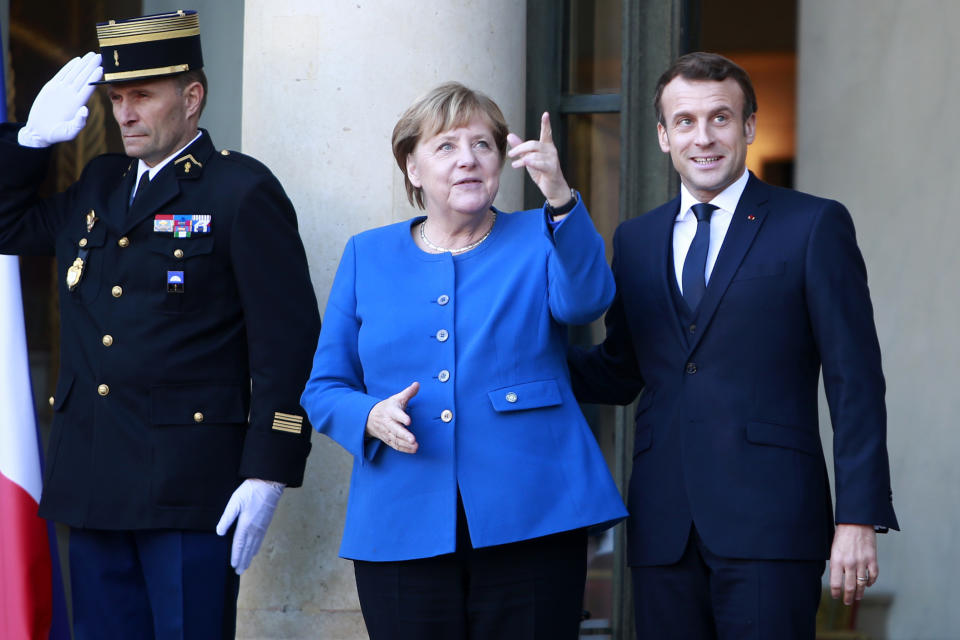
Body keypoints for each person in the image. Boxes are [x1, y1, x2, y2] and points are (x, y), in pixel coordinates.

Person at [0, 11, 320, 639]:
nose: (124, 113)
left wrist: (269, 468)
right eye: (116, 98)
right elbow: (8, 228)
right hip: (94, 483)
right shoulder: (101, 183)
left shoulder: (239, 190)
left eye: (142, 95)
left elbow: (288, 345)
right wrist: (27, 144)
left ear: (192, 97)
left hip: (189, 487)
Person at [568, 52, 899, 639]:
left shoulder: (813, 226)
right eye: (686, 122)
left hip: (772, 521)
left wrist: (857, 516)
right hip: (663, 524)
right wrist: (521, 358)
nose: (704, 137)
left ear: (748, 127)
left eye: (720, 118)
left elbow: (856, 381)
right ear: (664, 136)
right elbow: (621, 371)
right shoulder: (636, 239)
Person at [300, 81, 626, 639]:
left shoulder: (541, 233)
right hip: (402, 516)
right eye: (446, 146)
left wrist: (560, 196)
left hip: (534, 511)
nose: (467, 160)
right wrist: (370, 417)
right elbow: (324, 386)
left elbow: (586, 300)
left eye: (483, 145)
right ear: (412, 167)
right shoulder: (366, 254)